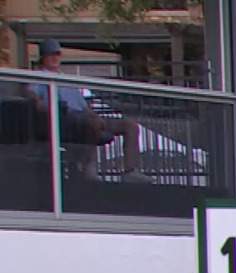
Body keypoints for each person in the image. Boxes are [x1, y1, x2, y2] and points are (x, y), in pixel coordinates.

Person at [30, 38, 148, 181]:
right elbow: (33, 97)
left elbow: (84, 106)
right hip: (65, 120)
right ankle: (88, 168)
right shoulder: (38, 77)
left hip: (83, 117)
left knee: (130, 125)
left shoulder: (67, 80)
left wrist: (94, 115)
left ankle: (131, 171)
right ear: (43, 58)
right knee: (92, 125)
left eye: (57, 54)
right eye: (50, 55)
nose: (55, 58)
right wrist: (44, 105)